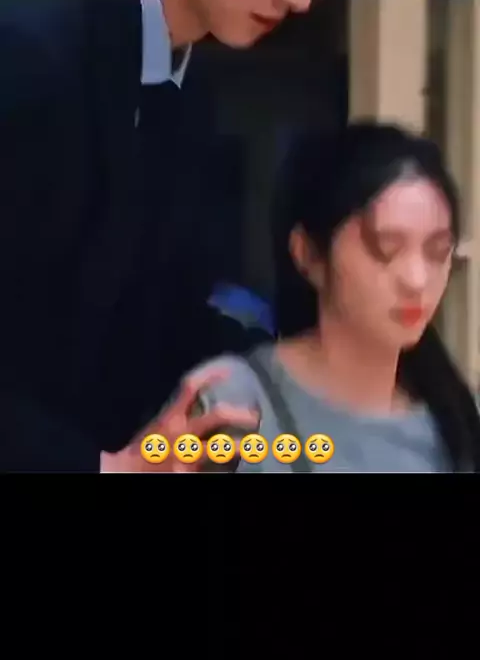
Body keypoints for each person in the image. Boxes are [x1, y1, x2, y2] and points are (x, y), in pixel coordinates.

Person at [0, 0, 312, 472]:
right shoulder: (28, 48)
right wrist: (103, 467)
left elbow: (159, 316)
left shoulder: (187, 91)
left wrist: (310, 368)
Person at [125, 120, 480, 473]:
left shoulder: (459, 422)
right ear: (308, 254)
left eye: (437, 251)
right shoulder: (232, 403)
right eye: (385, 249)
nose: (417, 280)